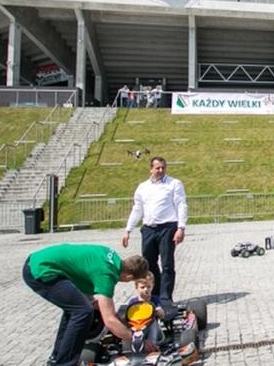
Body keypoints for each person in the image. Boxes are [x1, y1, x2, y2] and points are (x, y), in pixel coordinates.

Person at [23, 244, 149, 365]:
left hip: (39, 260)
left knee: (77, 309)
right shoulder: (106, 274)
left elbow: (95, 296)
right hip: (41, 270)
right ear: (128, 276)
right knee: (82, 312)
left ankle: (57, 358)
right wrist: (136, 340)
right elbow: (109, 321)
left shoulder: (110, 255)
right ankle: (65, 363)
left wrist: (120, 322)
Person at [122, 156, 188, 305]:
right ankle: (155, 294)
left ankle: (166, 297)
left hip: (167, 227)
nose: (161, 170)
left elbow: (181, 205)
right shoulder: (142, 187)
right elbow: (137, 209)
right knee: (149, 264)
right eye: (157, 168)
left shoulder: (174, 184)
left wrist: (181, 228)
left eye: (163, 167)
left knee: (167, 264)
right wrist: (128, 230)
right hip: (148, 229)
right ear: (151, 169)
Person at [126, 271, 164, 353]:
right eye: (142, 287)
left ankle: (152, 345)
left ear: (152, 286)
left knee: (153, 323)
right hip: (138, 328)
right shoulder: (133, 302)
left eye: (148, 287)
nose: (146, 289)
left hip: (153, 328)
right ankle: (133, 346)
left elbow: (162, 314)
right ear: (136, 287)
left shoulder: (155, 300)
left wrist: (159, 311)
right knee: (129, 327)